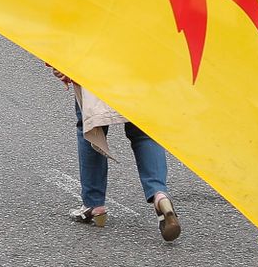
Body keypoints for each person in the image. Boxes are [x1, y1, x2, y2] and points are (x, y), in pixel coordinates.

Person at [54, 67, 181, 241]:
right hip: (138, 61)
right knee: (144, 132)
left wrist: (59, 62)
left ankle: (94, 204)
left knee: (91, 126)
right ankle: (159, 194)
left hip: (95, 62)